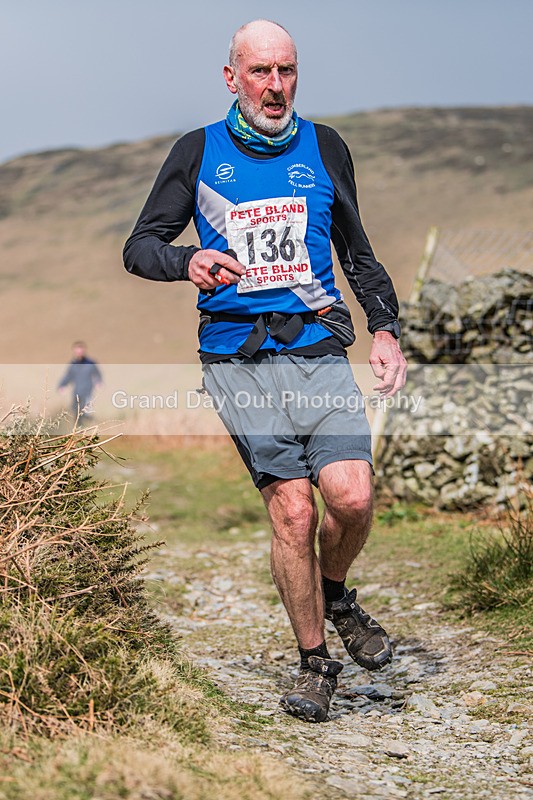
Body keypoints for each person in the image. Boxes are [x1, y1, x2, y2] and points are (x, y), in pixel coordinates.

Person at [123, 19, 407, 723]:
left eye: (286, 70)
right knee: (293, 509)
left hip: (316, 346)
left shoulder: (325, 146)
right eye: (260, 72)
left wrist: (385, 329)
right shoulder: (198, 152)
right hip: (237, 355)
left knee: (351, 498)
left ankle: (334, 591)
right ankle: (315, 663)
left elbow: (357, 252)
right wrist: (186, 259)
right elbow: (140, 246)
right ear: (232, 78)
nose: (275, 86)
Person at [57, 341, 102, 422]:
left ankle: (90, 424)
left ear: (84, 351)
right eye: (77, 351)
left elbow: (97, 374)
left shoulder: (90, 363)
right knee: (76, 411)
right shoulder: (73, 365)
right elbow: (68, 376)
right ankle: (78, 426)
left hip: (88, 391)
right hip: (77, 392)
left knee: (87, 412)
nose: (79, 353)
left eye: (80, 351)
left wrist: (98, 382)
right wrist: (62, 386)